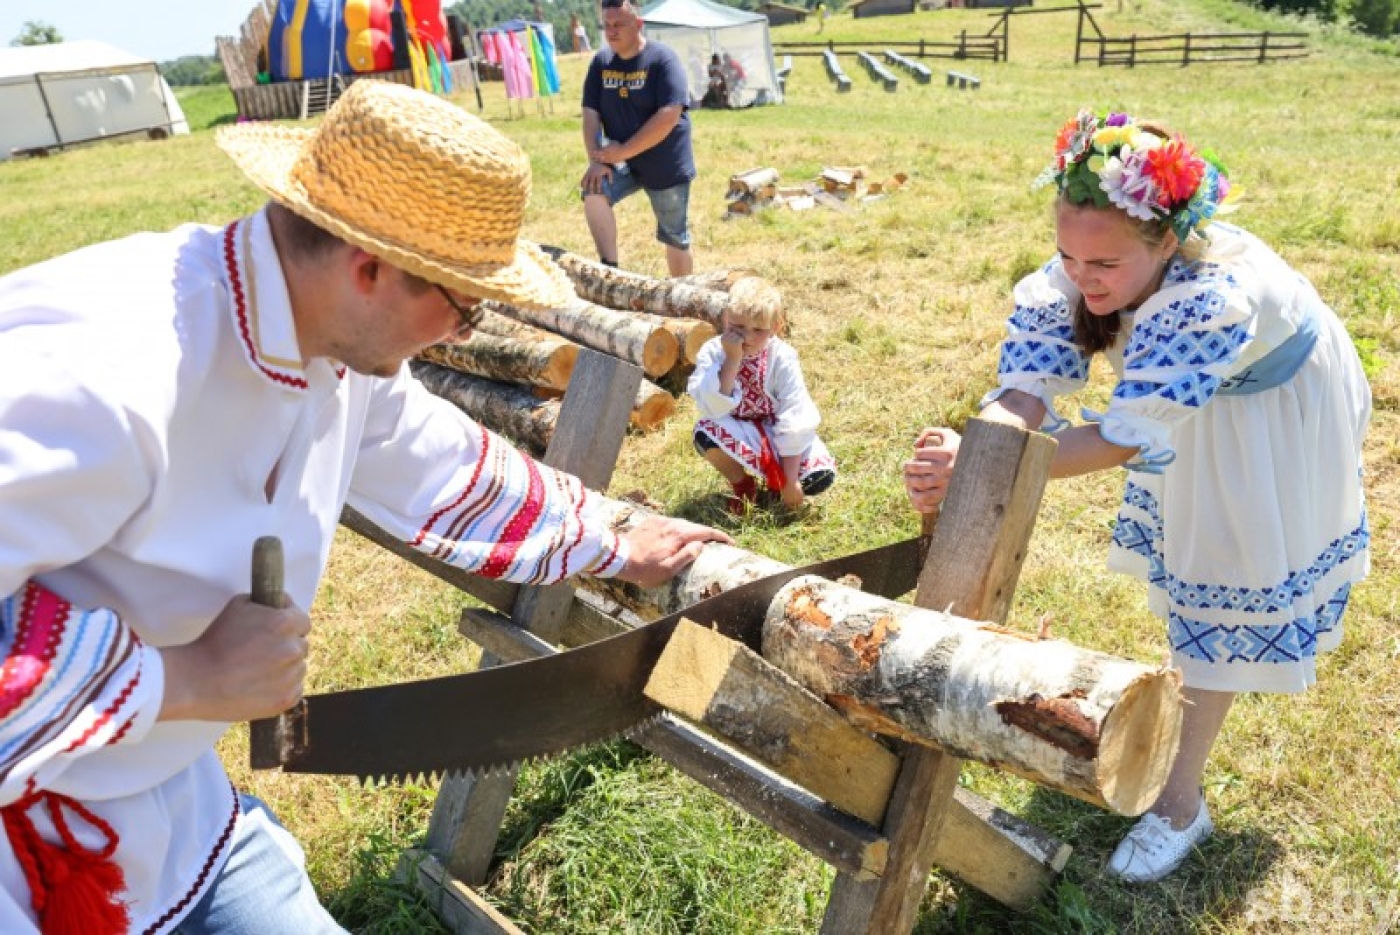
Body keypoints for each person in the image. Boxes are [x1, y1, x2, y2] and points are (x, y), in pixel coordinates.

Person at [0, 80, 729, 934]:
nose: (462, 333)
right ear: (368, 264)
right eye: (463, 306)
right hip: (34, 847)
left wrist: (612, 537)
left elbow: (443, 460)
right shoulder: (104, 373)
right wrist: (187, 678)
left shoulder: (320, 340)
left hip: (171, 806)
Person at [904, 110, 1370, 883]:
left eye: (1104, 264)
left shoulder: (1212, 296)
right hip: (1202, 408)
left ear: (1165, 240)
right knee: (1192, 567)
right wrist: (979, 450)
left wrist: (989, 465)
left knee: (1221, 585)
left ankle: (1179, 804)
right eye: (1067, 253)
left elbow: (1121, 439)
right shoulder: (1089, 264)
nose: (1080, 276)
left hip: (1269, 412)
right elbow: (1025, 389)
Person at [580, 0, 696, 277]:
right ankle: (610, 273)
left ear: (639, 24)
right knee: (594, 190)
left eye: (618, 24)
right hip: (618, 159)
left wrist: (623, 151)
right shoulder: (601, 63)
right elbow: (589, 115)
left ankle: (684, 295)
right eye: (607, 25)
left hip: (665, 161)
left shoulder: (662, 60)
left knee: (674, 234)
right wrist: (596, 159)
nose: (611, 31)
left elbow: (669, 114)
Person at [689, 300, 836, 514]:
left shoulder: (782, 356)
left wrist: (790, 480)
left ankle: (780, 486)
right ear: (726, 319)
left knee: (820, 478)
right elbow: (713, 406)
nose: (747, 337)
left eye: (758, 329)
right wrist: (732, 359)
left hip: (782, 434)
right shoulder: (714, 351)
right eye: (738, 327)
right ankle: (744, 487)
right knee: (704, 433)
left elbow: (795, 413)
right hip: (739, 428)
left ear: (775, 327)